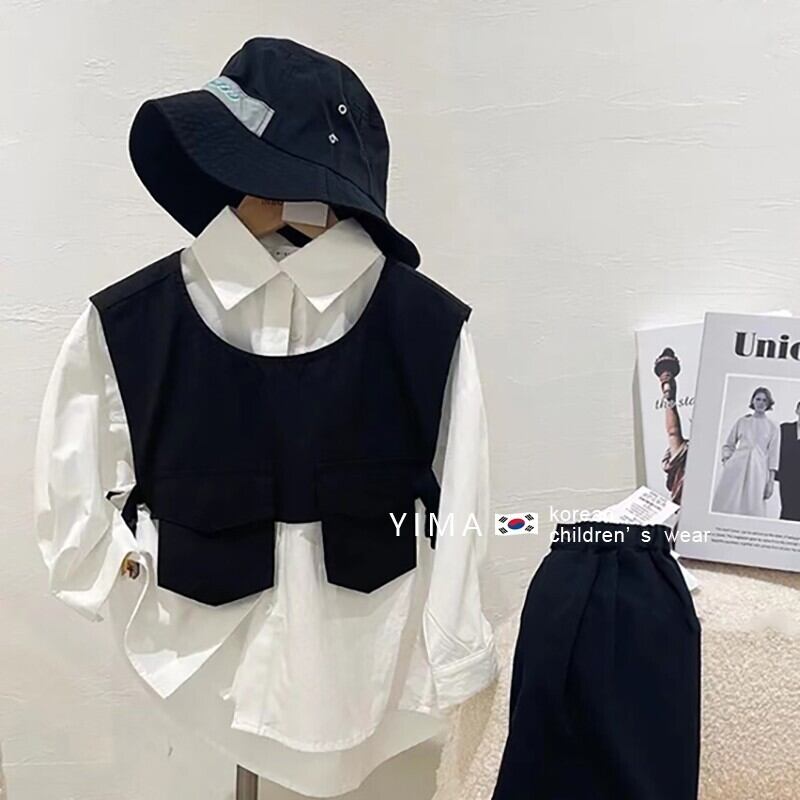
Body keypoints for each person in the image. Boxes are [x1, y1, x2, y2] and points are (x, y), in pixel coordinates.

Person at [711, 386, 779, 517]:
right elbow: (729, 444)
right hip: (736, 469)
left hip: (758, 471)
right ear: (752, 401)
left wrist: (770, 482)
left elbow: (773, 456)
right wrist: (727, 461)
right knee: (727, 505)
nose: (761, 403)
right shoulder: (743, 421)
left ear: (768, 403)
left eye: (764, 400)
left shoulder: (773, 427)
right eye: (758, 399)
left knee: (753, 508)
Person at [776, 400, 800, 521]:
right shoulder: (784, 428)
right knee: (787, 509)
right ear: (797, 410)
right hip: (787, 476)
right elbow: (774, 449)